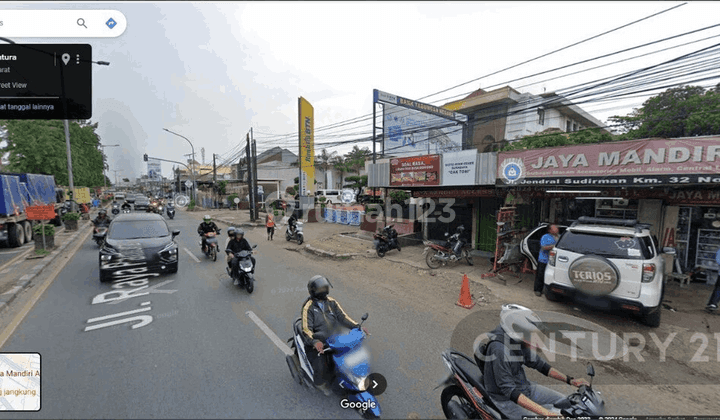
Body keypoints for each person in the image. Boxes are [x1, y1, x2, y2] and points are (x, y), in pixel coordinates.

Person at [483, 304, 590, 418]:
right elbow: (510, 391)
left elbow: (540, 365)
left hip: (525, 388)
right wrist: (547, 414)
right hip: (504, 400)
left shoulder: (517, 340)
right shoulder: (499, 350)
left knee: (567, 403)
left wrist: (570, 380)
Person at [301, 275, 369, 396]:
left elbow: (343, 317)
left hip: (336, 338)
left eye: (325, 288)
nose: (324, 291)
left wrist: (357, 327)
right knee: (320, 365)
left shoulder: (332, 302)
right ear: (313, 291)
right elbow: (306, 329)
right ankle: (319, 384)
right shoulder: (308, 307)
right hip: (319, 341)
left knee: (352, 354)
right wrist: (315, 342)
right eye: (320, 289)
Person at [535, 224, 560, 297]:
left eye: (557, 228)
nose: (557, 229)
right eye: (555, 228)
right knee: (540, 275)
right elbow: (544, 247)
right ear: (550, 230)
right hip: (544, 259)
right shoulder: (545, 237)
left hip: (554, 261)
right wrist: (554, 246)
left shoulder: (560, 237)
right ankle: (538, 290)